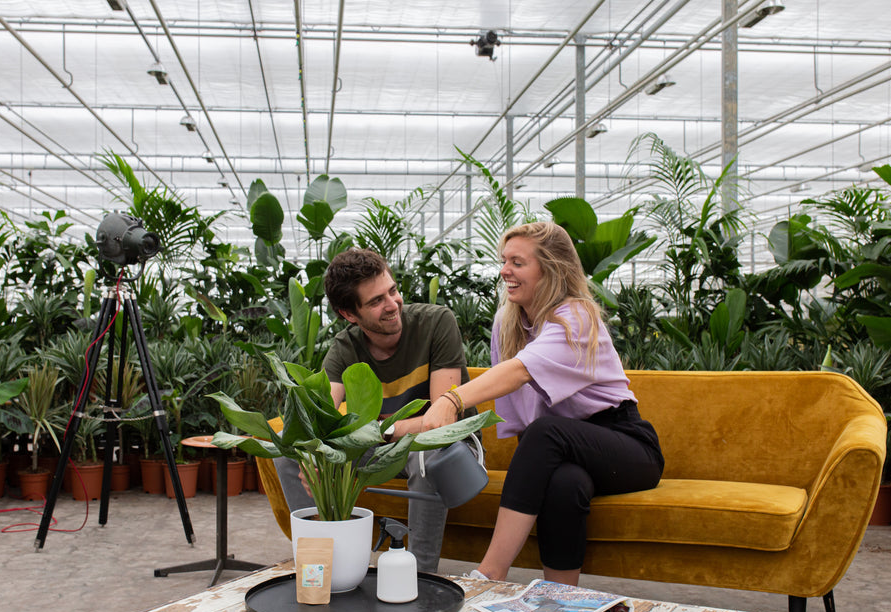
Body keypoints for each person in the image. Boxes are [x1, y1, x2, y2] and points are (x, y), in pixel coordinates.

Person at [422, 222, 663, 585]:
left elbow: (519, 373)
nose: (505, 271)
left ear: (551, 269)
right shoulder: (509, 324)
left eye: (517, 263)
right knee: (564, 483)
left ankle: (489, 573)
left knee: (547, 431)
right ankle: (559, 596)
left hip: (626, 446)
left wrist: (450, 400)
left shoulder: (577, 318)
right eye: (504, 261)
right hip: (565, 451)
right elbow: (522, 414)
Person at [274, 247, 478, 573]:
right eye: (376, 301)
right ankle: (317, 564)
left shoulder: (436, 323)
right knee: (287, 448)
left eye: (392, 291)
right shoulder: (345, 348)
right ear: (349, 315)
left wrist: (380, 431)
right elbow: (317, 417)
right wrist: (310, 452)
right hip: (381, 449)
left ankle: (421, 576)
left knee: (426, 456)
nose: (392, 305)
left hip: (444, 448)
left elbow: (443, 420)